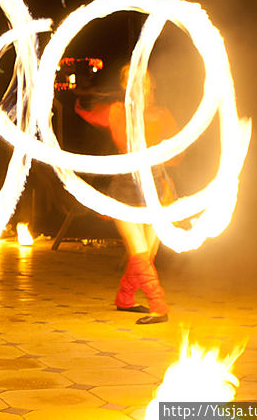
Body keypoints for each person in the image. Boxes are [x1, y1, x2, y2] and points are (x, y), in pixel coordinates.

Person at [75, 64, 178, 325]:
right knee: (140, 251)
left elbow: (179, 154)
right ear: (124, 86)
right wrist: (84, 94)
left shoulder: (163, 115)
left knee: (147, 254)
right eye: (131, 81)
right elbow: (85, 111)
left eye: (143, 81)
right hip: (125, 188)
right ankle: (159, 306)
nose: (138, 85)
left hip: (157, 187)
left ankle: (125, 298)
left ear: (151, 86)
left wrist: (161, 153)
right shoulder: (116, 112)